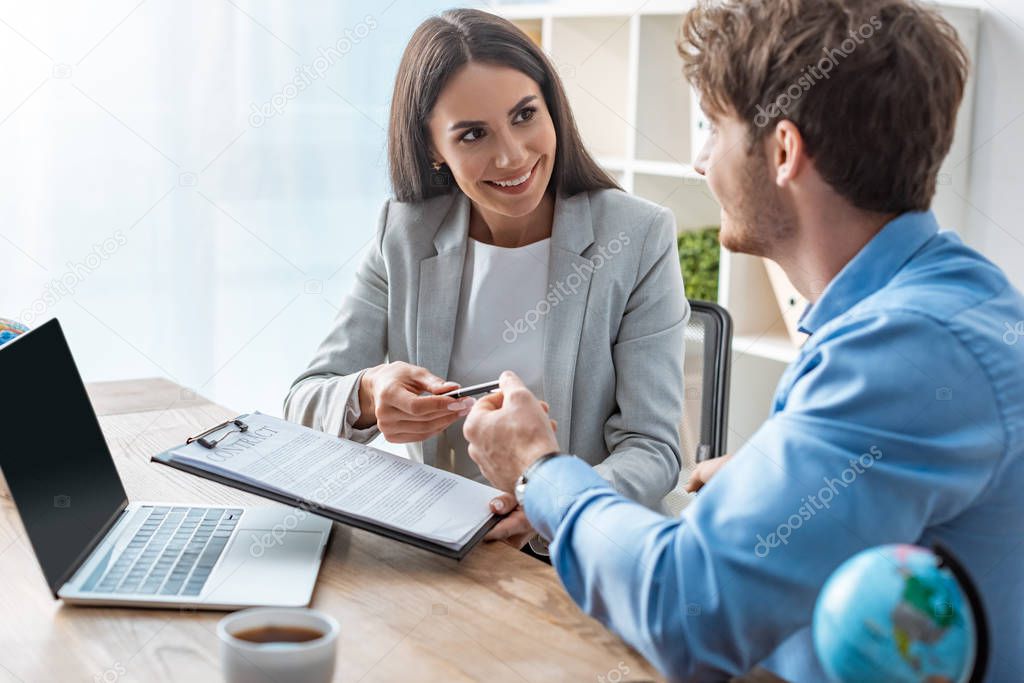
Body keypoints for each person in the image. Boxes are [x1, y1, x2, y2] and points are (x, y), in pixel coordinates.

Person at [462, 0, 1024, 679]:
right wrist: (782, 489)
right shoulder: (954, 292)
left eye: (713, 128)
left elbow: (687, 608)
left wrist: (539, 468)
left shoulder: (904, 348)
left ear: (784, 151)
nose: (701, 161)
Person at [284, 9, 688, 551]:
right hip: (442, 551)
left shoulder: (636, 235)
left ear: (552, 109)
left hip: (579, 554)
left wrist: (553, 501)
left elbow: (652, 449)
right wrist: (366, 393)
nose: (511, 155)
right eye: (473, 134)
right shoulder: (405, 231)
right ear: (432, 149)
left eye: (525, 115)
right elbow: (303, 401)